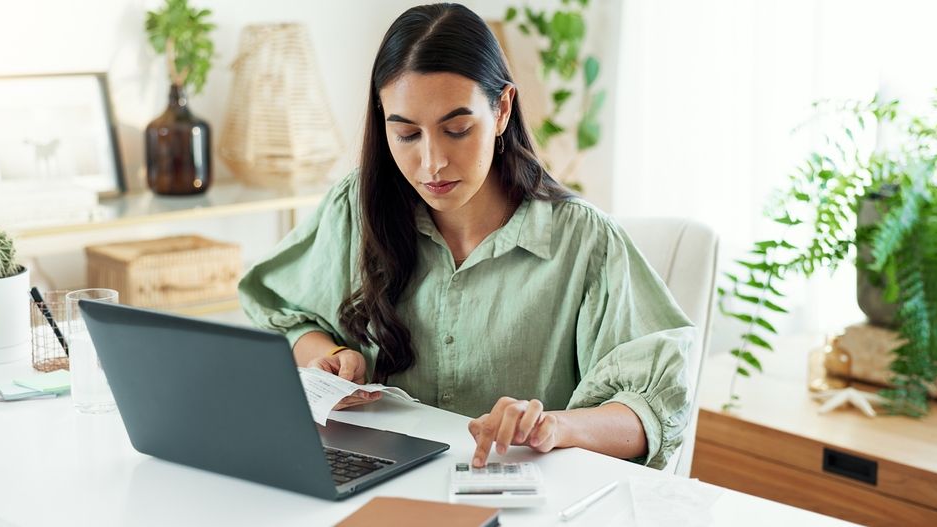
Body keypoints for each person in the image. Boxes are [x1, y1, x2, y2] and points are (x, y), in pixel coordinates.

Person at [238, 2, 694, 470]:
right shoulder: (355, 208)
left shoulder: (586, 242)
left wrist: (556, 426)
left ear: (501, 110)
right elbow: (283, 313)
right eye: (407, 135)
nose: (432, 163)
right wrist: (329, 355)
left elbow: (651, 410)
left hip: (517, 501)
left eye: (456, 130)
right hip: (376, 482)